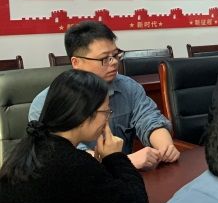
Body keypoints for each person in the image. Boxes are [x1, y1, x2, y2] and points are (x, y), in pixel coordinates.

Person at [0, 70, 147, 203]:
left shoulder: (30, 147)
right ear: (85, 115)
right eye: (106, 112)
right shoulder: (72, 164)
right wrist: (115, 157)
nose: (108, 119)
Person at [29, 21, 177, 170]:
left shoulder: (128, 87)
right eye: (104, 58)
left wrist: (165, 147)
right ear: (76, 62)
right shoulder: (46, 102)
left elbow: (149, 119)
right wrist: (125, 161)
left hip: (125, 176)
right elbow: (65, 155)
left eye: (116, 55)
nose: (114, 62)